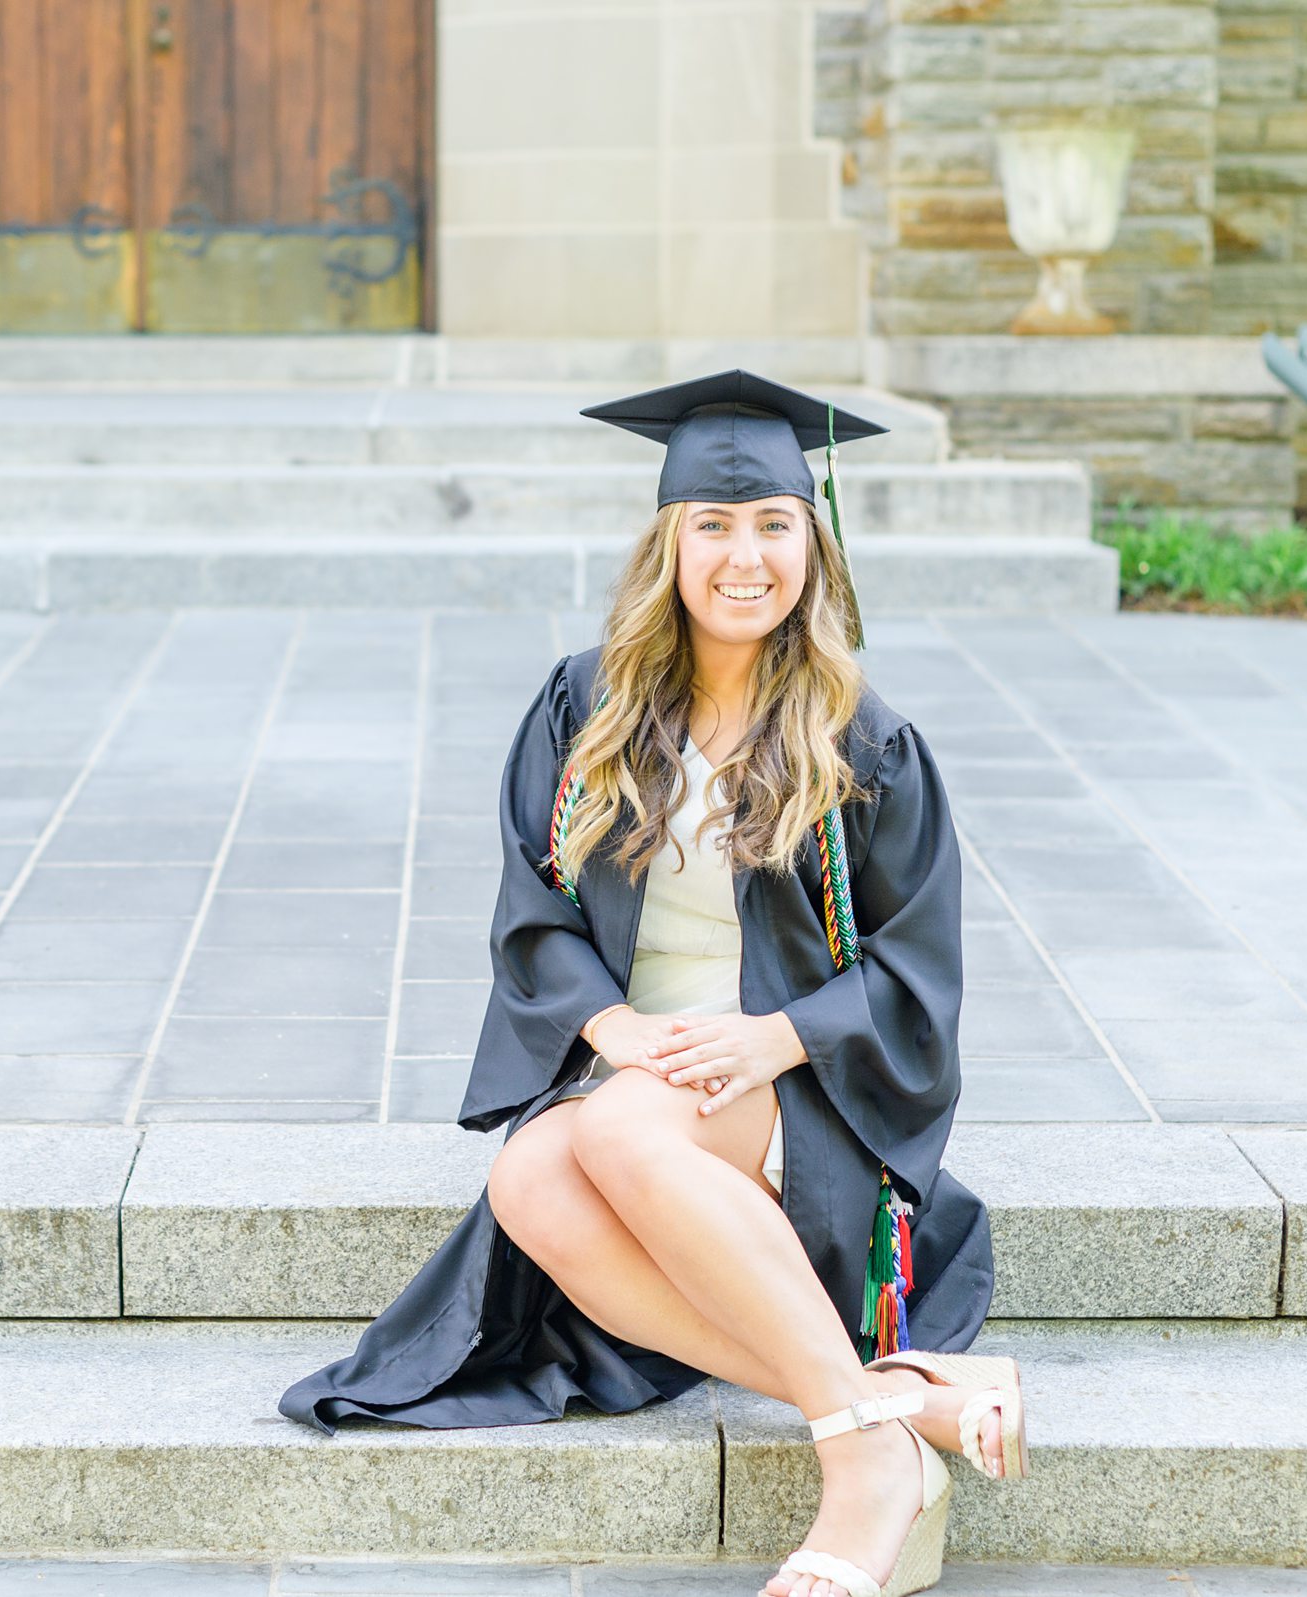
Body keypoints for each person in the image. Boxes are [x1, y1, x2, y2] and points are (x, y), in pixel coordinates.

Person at [277, 370, 1026, 1597]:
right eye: (715, 527)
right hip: (646, 1066)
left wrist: (777, 1036)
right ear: (668, 544)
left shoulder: (861, 744)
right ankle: (890, 1407)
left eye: (775, 524)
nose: (746, 557)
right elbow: (535, 909)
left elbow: (921, 966)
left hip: (802, 1089)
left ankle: (863, 1467)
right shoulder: (589, 708)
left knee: (612, 1129)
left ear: (814, 547)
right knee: (527, 1172)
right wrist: (614, 1025)